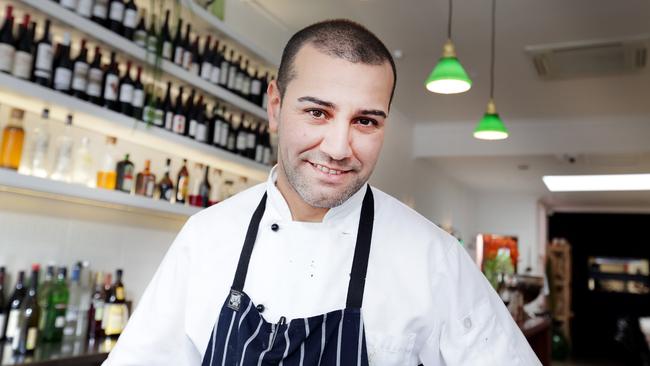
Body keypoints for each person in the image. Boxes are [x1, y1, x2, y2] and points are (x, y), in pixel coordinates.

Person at [103, 19, 541, 365]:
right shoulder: (205, 237)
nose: (337, 147)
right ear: (275, 107)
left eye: (365, 121)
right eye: (317, 112)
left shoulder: (434, 257)